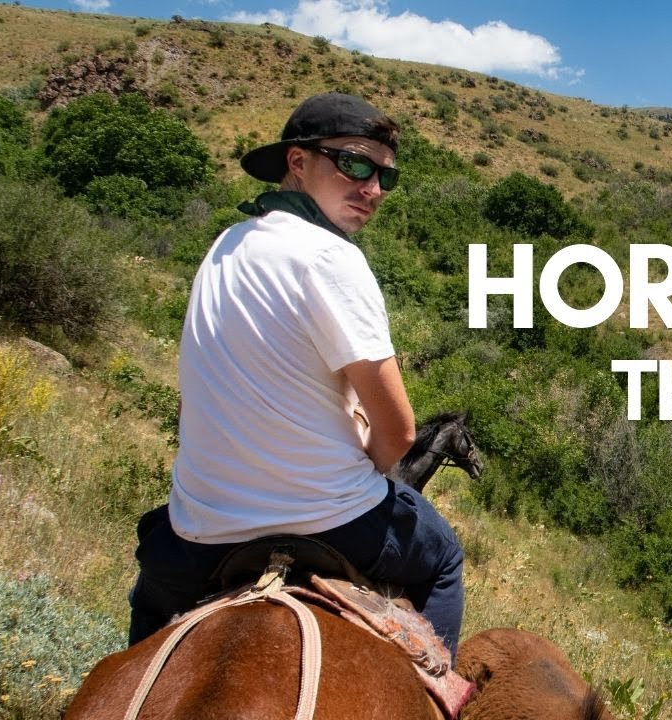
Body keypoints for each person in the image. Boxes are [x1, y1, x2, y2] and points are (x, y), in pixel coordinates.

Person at [127, 93, 464, 660]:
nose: (373, 189)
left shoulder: (225, 246)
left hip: (200, 528)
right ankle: (436, 686)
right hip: (330, 520)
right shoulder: (331, 257)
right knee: (444, 558)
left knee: (147, 613)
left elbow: (191, 404)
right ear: (298, 162)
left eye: (385, 175)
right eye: (354, 164)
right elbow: (399, 432)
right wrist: (365, 465)